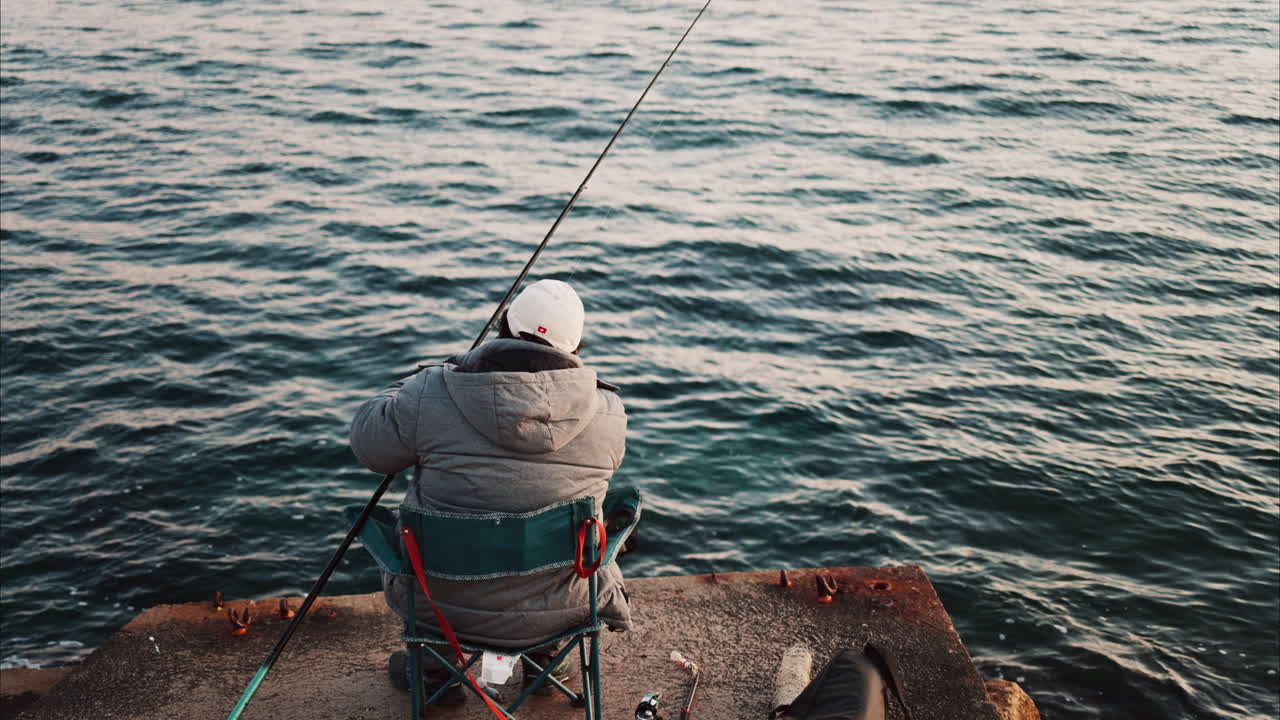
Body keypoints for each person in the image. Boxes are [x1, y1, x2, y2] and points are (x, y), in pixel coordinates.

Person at [349, 278, 631, 701]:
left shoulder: (431, 390)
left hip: (437, 604)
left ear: (502, 325)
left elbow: (370, 448)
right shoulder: (608, 411)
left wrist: (412, 384)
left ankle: (434, 672)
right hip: (564, 604)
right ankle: (547, 657)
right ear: (576, 347)